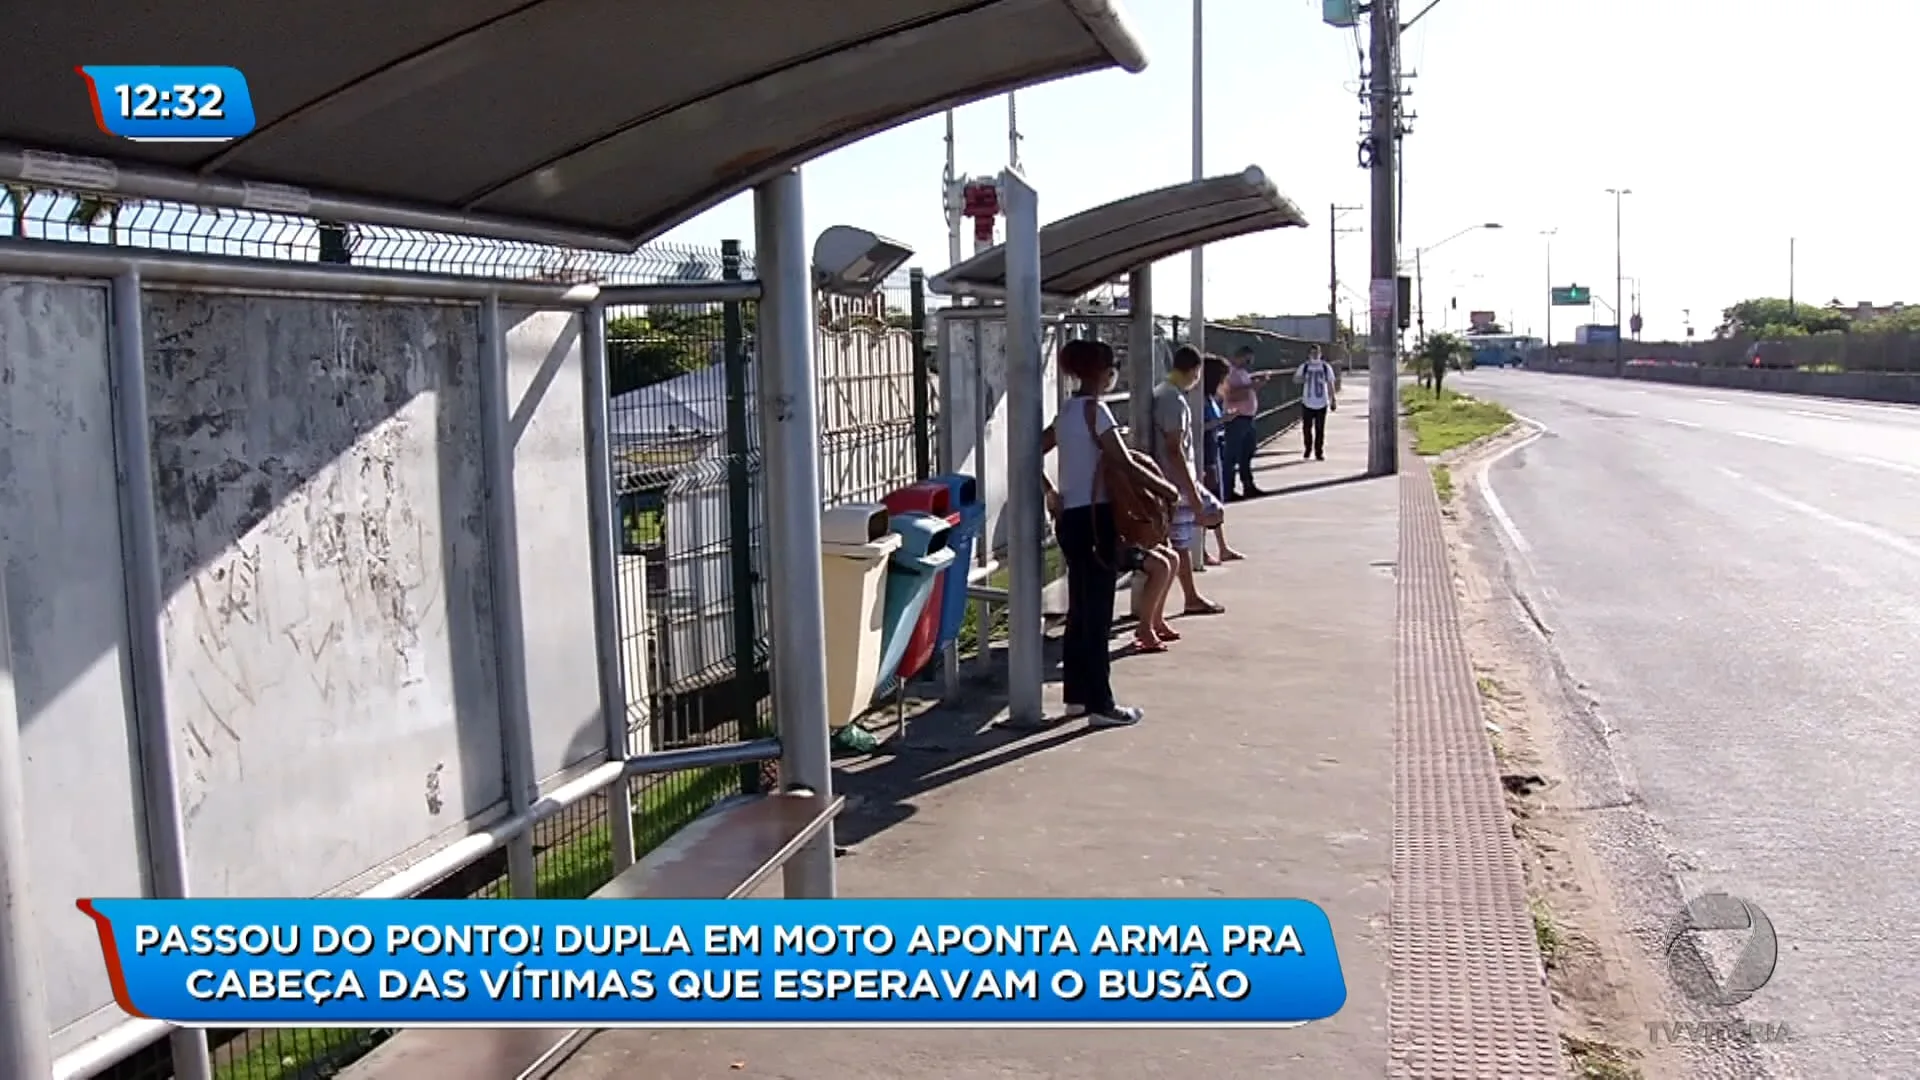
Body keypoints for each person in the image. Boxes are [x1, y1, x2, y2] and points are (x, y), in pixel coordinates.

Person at [1039, 338, 1176, 727]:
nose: (1113, 372)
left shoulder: (1068, 412)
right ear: (1099, 371)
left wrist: (1051, 493)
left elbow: (1035, 449)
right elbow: (1123, 460)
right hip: (1098, 520)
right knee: (1097, 613)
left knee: (1081, 610)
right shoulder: (1096, 413)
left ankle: (1077, 698)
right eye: (1110, 366)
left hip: (1071, 521)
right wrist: (1166, 489)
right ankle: (1101, 704)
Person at [1152, 347, 1228, 621]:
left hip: (1176, 479)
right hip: (1176, 482)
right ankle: (1182, 601)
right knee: (1181, 542)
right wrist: (1193, 494)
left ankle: (1186, 597)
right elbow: (1175, 449)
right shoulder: (1173, 399)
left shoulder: (1165, 393)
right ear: (1195, 371)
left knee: (1194, 530)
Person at [1200, 354, 1244, 564]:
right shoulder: (1198, 400)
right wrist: (1222, 420)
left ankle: (1222, 547)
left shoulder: (1210, 398)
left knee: (1216, 500)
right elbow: (1198, 427)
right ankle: (1201, 550)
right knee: (1205, 502)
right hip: (1205, 454)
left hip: (1214, 449)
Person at [1220, 346, 1276, 500]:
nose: (1249, 362)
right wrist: (1253, 386)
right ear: (1240, 357)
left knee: (1247, 453)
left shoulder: (1243, 373)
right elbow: (1231, 395)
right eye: (1247, 358)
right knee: (1231, 455)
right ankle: (1228, 489)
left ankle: (1248, 485)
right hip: (1236, 418)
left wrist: (1255, 385)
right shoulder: (1230, 374)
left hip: (1247, 418)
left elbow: (1247, 391)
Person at [1294, 345, 1339, 461]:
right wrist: (1304, 379)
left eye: (1317, 353)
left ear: (1320, 354)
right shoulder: (1305, 366)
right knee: (1307, 429)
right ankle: (1308, 448)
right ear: (1309, 354)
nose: (1314, 355)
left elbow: (1330, 383)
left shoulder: (1325, 367)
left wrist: (1333, 399)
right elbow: (1296, 379)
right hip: (1307, 401)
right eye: (1312, 353)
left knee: (1320, 429)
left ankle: (1319, 452)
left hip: (1321, 402)